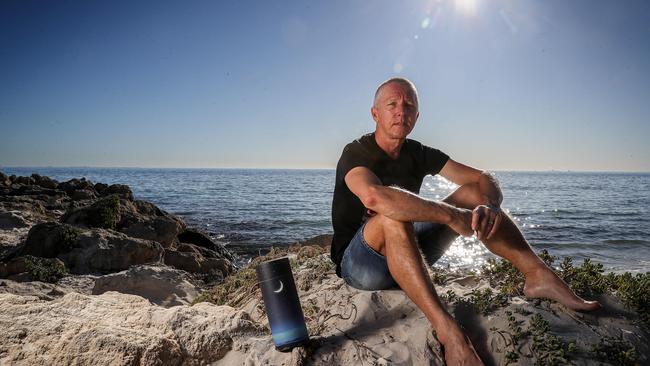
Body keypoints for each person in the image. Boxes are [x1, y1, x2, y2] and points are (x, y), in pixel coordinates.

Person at [330, 77, 601, 365]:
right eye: (392, 104)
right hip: (360, 265)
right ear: (375, 114)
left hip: (408, 256)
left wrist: (491, 205)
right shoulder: (356, 152)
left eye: (409, 106)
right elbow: (374, 198)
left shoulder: (419, 153)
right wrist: (452, 215)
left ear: (417, 116)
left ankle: (538, 276)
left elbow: (483, 177)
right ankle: (449, 333)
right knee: (391, 217)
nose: (401, 112)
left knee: (474, 194)